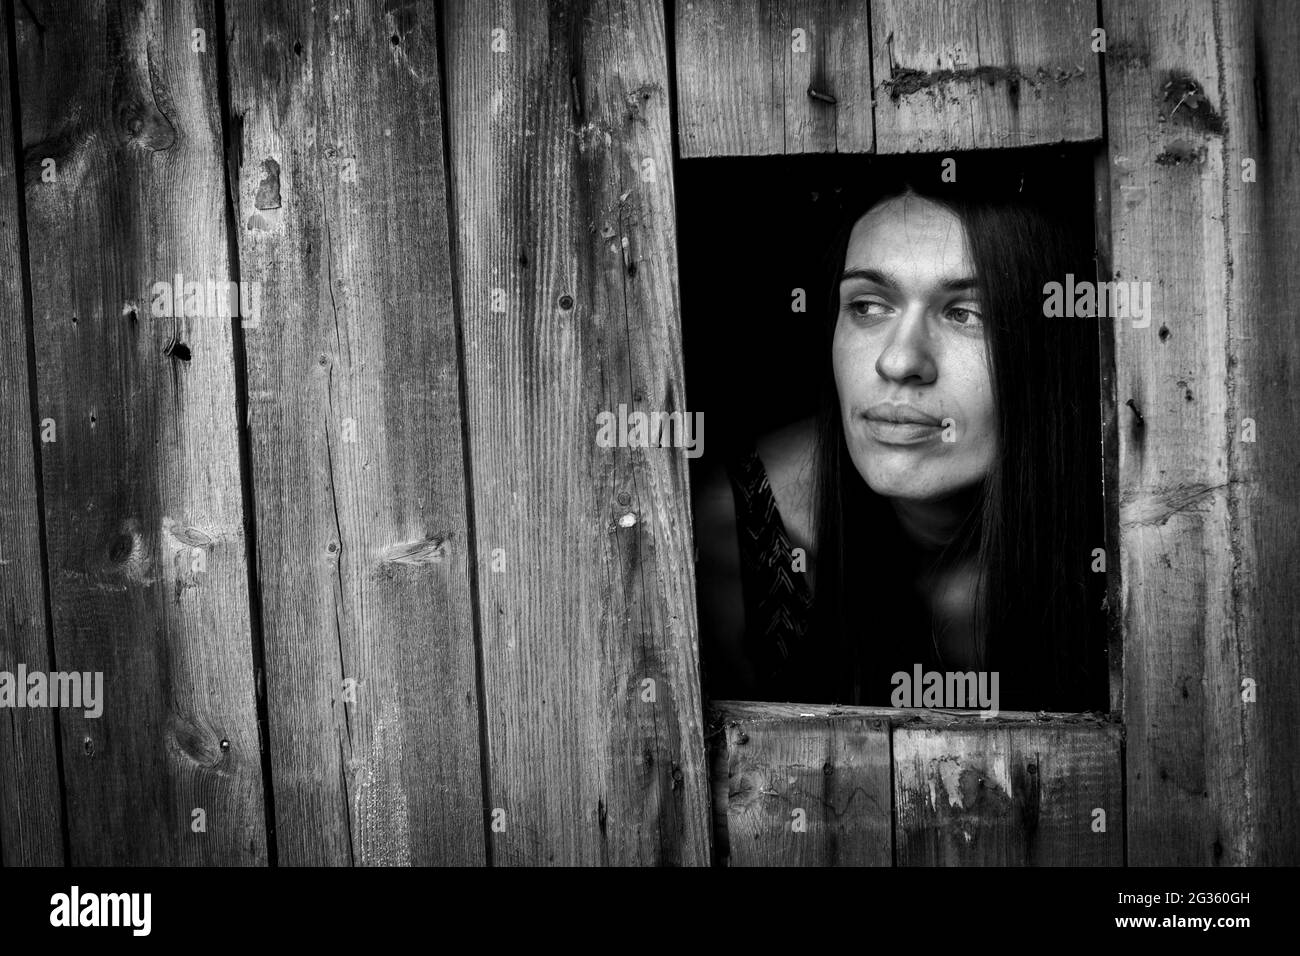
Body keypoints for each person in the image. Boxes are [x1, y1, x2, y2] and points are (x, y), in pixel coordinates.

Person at [694, 167, 1106, 712]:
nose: (899, 360)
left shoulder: (1132, 539)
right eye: (867, 306)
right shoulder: (739, 538)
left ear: (1052, 347)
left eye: (966, 314)